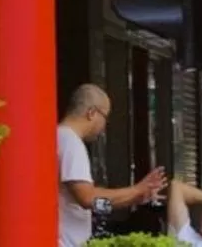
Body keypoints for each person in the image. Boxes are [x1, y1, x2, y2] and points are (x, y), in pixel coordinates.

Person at [58, 85, 165, 247]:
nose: (104, 127)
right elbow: (87, 198)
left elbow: (94, 203)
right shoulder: (70, 142)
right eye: (105, 117)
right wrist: (136, 189)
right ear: (92, 113)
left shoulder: (60, 137)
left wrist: (133, 198)